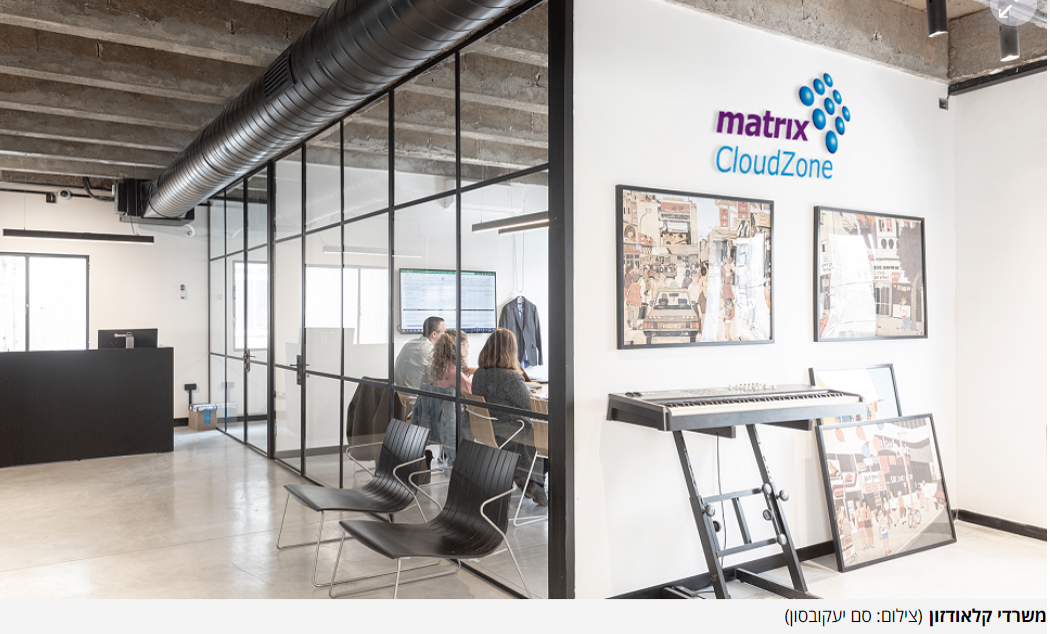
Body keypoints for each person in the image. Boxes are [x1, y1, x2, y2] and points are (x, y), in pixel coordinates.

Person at [471, 328, 547, 506]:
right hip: (512, 433)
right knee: (549, 435)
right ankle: (534, 481)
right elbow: (531, 406)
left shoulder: (479, 374)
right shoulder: (511, 377)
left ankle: (527, 477)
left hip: (491, 431)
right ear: (511, 351)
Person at [412, 330, 472, 464]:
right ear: (460, 347)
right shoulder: (457, 375)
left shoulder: (435, 372)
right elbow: (473, 397)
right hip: (457, 428)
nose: (468, 351)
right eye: (467, 346)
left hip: (439, 428)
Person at [393, 316, 445, 390]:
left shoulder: (411, 343)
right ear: (434, 334)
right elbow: (437, 379)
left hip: (398, 394)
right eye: (444, 332)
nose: (446, 336)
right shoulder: (429, 350)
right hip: (415, 396)